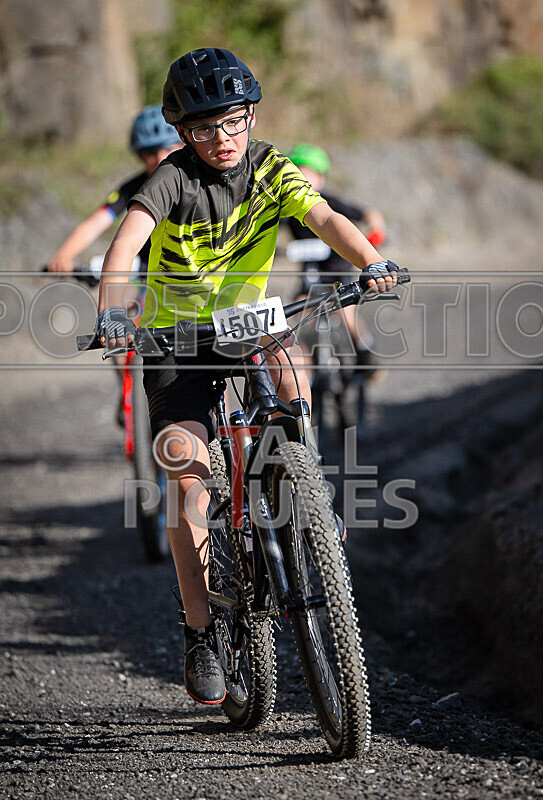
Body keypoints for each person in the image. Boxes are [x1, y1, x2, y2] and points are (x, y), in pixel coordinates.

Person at [94, 47, 402, 705]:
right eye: (204, 128)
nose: (222, 139)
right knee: (184, 471)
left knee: (293, 366)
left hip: (247, 322)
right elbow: (124, 245)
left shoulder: (269, 167)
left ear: (251, 115)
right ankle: (200, 631)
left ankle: (304, 483)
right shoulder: (171, 180)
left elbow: (322, 217)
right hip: (177, 338)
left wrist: (371, 262)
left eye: (232, 122)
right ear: (182, 133)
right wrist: (114, 309)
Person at [46, 105, 182, 275]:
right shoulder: (134, 187)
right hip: (149, 269)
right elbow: (95, 224)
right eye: (151, 153)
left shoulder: (195, 179)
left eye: (169, 149)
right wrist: (63, 256)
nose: (160, 158)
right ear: (140, 156)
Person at [285, 142, 386, 367]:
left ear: (321, 179)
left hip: (337, 273)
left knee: (347, 316)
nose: (300, 180)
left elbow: (370, 214)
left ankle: (365, 353)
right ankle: (302, 375)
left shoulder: (327, 203)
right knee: (296, 319)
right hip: (310, 277)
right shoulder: (288, 207)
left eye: (306, 174)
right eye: (295, 173)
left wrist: (376, 233)